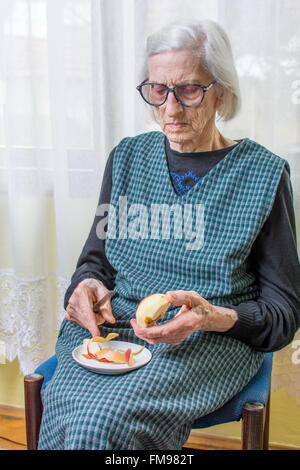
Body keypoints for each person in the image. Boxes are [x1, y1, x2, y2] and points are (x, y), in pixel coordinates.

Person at [38, 19, 300, 450]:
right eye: (158, 90)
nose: (170, 110)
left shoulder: (264, 174)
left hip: (207, 340)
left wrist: (214, 317)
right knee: (75, 414)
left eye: (189, 89)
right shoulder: (127, 158)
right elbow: (97, 261)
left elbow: (283, 311)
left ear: (222, 90)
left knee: (105, 422)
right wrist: (86, 286)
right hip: (113, 332)